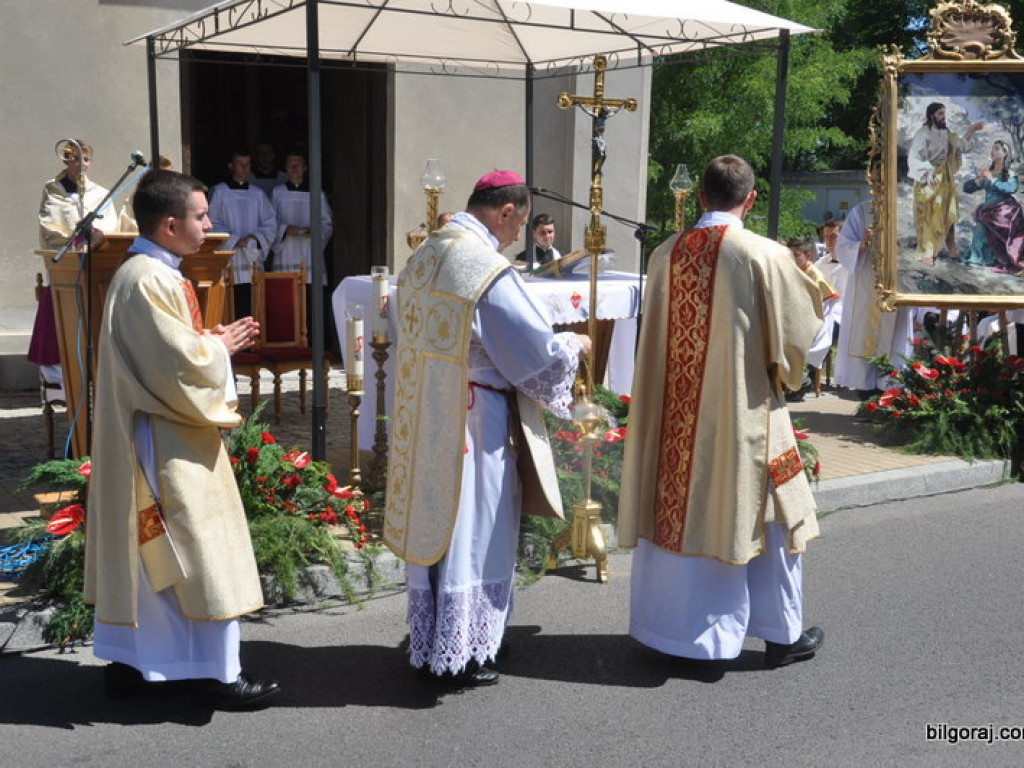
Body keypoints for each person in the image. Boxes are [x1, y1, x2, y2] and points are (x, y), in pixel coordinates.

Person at [618, 155, 825, 668]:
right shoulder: (763, 253)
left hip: (673, 421)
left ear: (703, 197)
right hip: (743, 416)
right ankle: (781, 633)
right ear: (749, 199)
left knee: (682, 511)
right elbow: (802, 336)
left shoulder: (664, 254)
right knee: (771, 515)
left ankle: (671, 634)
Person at [85, 169, 280, 710]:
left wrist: (205, 343)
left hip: (158, 427)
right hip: (165, 438)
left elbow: (165, 354)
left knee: (158, 558)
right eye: (201, 215)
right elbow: (176, 368)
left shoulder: (148, 273)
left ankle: (134, 664)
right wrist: (219, 350)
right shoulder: (150, 279)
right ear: (171, 225)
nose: (210, 224)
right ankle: (215, 674)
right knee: (194, 548)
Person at [384, 170, 589, 687]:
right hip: (477, 419)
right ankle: (466, 650)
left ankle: (437, 639)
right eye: (517, 223)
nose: (516, 234)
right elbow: (532, 351)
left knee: (440, 521)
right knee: (474, 527)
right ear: (504, 212)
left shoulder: (427, 254)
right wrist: (573, 347)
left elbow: (398, 320)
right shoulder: (484, 267)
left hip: (430, 410)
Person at [834, 200, 913, 397]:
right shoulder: (862, 211)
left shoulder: (907, 208)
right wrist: (861, 244)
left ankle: (892, 394)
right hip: (866, 283)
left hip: (897, 283)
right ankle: (866, 394)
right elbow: (843, 247)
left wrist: (902, 241)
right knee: (864, 335)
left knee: (895, 340)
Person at [907, 102, 983, 265]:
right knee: (930, 214)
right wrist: (927, 173)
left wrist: (971, 130)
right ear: (931, 115)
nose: (943, 117)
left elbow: (961, 146)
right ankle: (927, 251)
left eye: (944, 113)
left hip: (946, 179)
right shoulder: (923, 133)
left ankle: (951, 246)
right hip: (928, 178)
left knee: (949, 212)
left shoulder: (946, 132)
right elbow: (914, 158)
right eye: (940, 114)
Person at [208, 149, 277, 319]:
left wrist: (254, 237)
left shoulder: (258, 194)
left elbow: (270, 223)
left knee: (252, 307)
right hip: (231, 258)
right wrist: (234, 239)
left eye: (247, 165)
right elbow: (211, 223)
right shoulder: (219, 192)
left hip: (251, 257)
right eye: (240, 164)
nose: (244, 168)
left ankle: (253, 344)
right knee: (232, 308)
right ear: (231, 166)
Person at [38, 138, 118, 250]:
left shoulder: (100, 194)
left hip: (92, 256)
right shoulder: (52, 189)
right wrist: (74, 236)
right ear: (66, 160)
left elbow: (110, 226)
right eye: (76, 159)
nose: (82, 164)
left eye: (86, 159)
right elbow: (48, 226)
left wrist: (93, 232)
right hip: (63, 256)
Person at [787, 237, 840, 400]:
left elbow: (823, 307)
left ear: (808, 255)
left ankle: (801, 382)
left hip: (817, 322)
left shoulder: (814, 275)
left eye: (796, 255)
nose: (792, 259)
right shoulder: (793, 270)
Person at [962, 139, 1024, 274]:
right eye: (992, 149)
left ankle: (1004, 257)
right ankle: (979, 258)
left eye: (997, 149)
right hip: (989, 211)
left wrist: (992, 179)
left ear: (1005, 153)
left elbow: (1011, 188)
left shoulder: (1009, 174)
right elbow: (966, 188)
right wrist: (977, 182)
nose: (993, 152)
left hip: (1005, 211)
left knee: (995, 226)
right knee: (980, 229)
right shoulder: (988, 171)